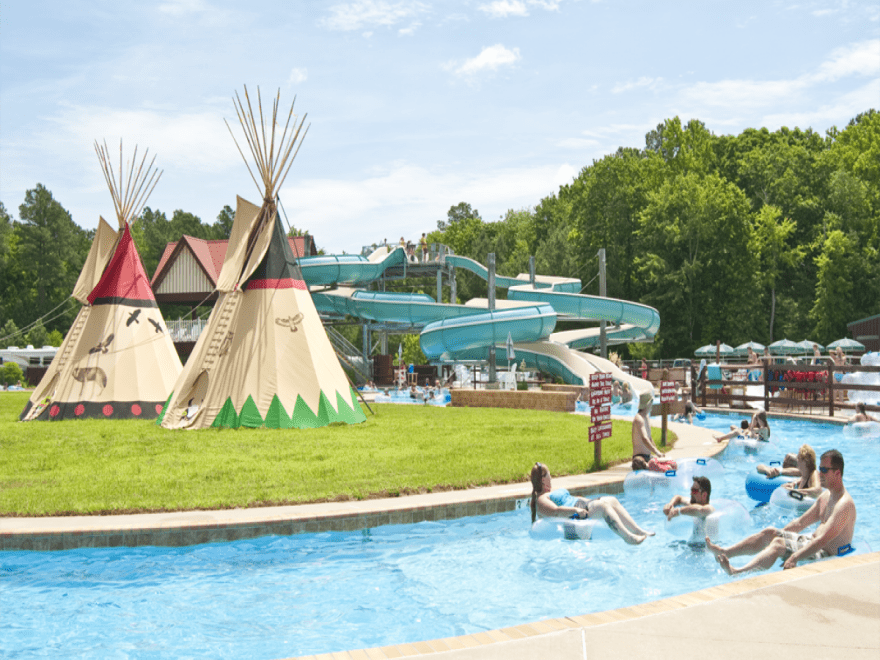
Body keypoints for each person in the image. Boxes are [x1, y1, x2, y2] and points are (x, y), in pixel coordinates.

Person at [707, 449, 855, 574]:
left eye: (824, 470)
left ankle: (737, 572)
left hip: (825, 552)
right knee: (771, 532)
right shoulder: (826, 496)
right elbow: (800, 522)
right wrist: (778, 534)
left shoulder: (844, 505)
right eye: (819, 469)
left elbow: (822, 540)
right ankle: (726, 552)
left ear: (837, 473)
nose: (820, 474)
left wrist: (794, 557)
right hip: (811, 541)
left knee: (779, 544)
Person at [529, 462, 654, 544]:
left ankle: (638, 530)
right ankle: (628, 537)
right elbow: (555, 512)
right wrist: (576, 510)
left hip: (583, 505)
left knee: (612, 500)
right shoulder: (541, 499)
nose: (551, 478)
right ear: (543, 479)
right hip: (577, 514)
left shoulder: (549, 494)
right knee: (603, 506)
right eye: (549, 475)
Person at [663, 476, 714, 541]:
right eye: (691, 490)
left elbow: (701, 510)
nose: (690, 493)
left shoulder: (710, 508)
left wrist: (679, 511)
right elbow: (679, 498)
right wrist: (670, 504)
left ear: (704, 495)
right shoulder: (692, 505)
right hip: (693, 545)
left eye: (694, 491)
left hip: (706, 548)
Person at [632, 392, 664, 467]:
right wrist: (656, 452)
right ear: (647, 404)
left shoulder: (646, 417)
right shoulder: (639, 419)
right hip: (640, 458)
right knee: (657, 468)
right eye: (651, 402)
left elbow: (649, 438)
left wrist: (658, 452)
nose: (652, 405)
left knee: (669, 465)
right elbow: (644, 438)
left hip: (648, 456)